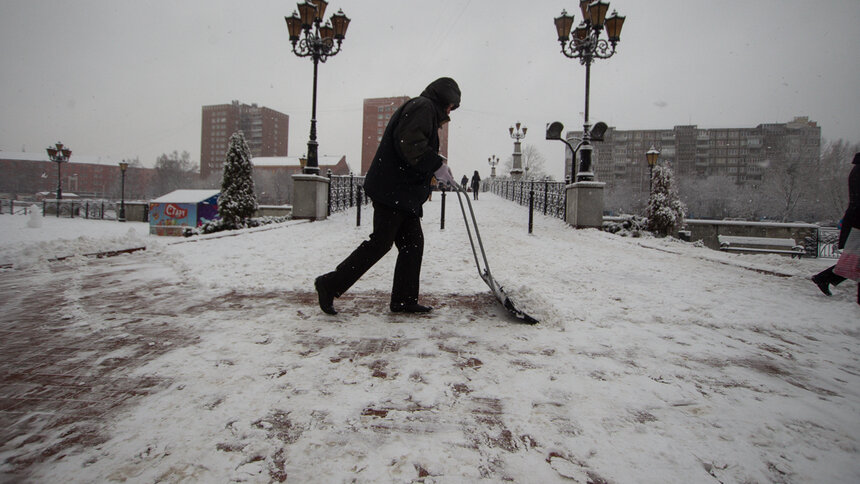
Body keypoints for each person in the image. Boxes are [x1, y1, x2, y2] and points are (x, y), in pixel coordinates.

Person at [314, 77, 461, 315]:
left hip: (401, 193)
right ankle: (329, 284)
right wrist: (435, 164)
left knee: (412, 244)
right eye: (451, 105)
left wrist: (437, 166)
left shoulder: (424, 108)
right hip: (393, 190)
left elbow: (415, 145)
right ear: (445, 98)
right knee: (381, 243)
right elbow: (410, 143)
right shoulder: (423, 106)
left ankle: (404, 300)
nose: (450, 111)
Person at [812, 152, 860, 303]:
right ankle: (823, 278)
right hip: (857, 221)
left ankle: (824, 278)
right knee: (853, 260)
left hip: (856, 220)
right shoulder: (858, 171)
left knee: (854, 260)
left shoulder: (856, 170)